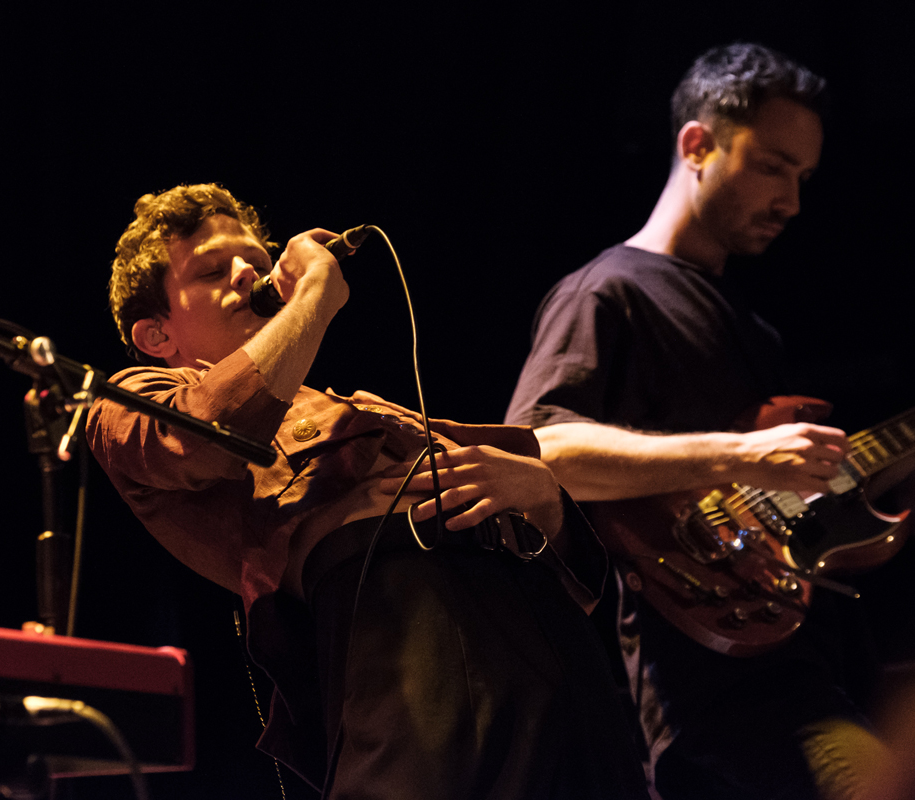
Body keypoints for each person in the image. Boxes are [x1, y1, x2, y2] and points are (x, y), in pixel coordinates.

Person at [505, 43, 915, 800]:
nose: (793, 201)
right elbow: (540, 448)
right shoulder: (607, 292)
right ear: (697, 144)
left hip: (813, 667)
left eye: (803, 177)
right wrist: (741, 454)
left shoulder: (752, 329)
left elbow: (790, 491)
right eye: (773, 165)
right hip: (715, 693)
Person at [86, 184, 647, 799]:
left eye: (257, 256)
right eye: (213, 270)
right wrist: (318, 295)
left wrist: (543, 498)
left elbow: (583, 590)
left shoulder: (353, 405)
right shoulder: (130, 399)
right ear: (157, 336)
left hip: (546, 639)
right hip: (409, 620)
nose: (252, 271)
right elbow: (209, 436)